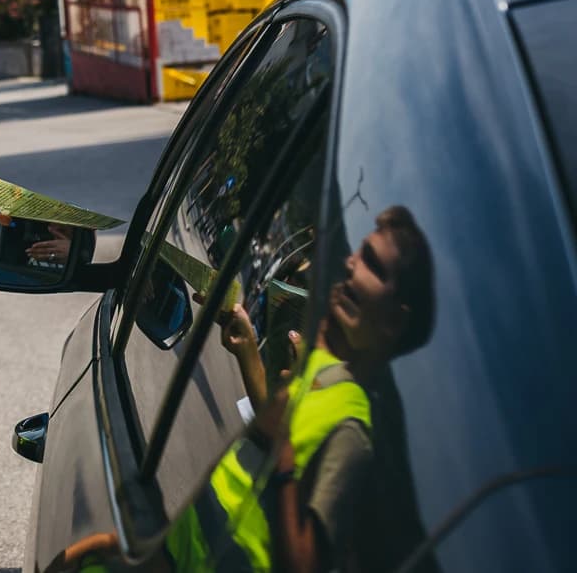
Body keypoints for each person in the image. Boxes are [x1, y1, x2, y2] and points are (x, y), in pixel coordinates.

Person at [164, 205, 434, 573]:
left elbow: (305, 563)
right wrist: (247, 349)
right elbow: (272, 437)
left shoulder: (354, 429)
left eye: (371, 261)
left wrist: (286, 455)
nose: (351, 264)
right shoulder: (322, 370)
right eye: (358, 253)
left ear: (394, 321)